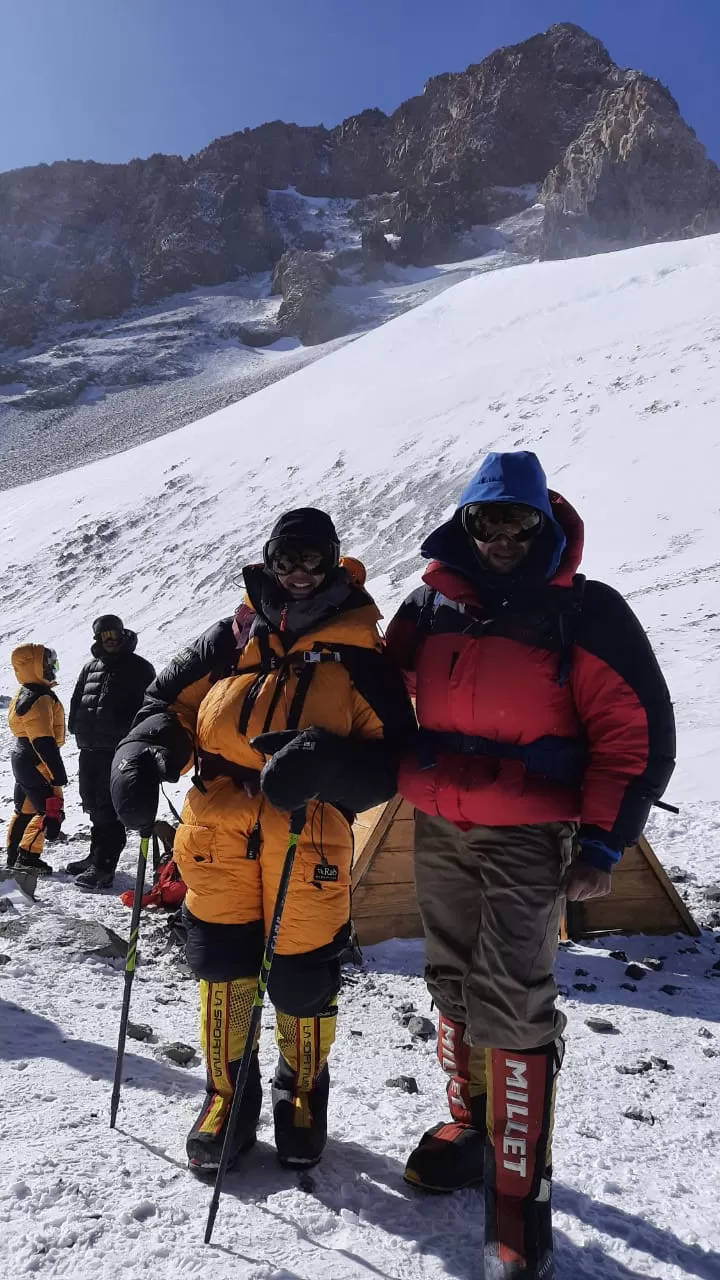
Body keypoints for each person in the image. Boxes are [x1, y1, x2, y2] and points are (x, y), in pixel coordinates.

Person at [385, 452, 675, 1280]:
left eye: (519, 522)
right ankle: (472, 1125)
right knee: (450, 976)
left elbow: (634, 733)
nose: (503, 536)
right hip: (439, 822)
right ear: (467, 524)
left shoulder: (584, 612)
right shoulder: (432, 603)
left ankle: (520, 1190)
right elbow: (377, 685)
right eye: (488, 521)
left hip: (529, 832)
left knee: (512, 993)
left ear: (544, 525)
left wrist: (602, 844)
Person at [110, 509, 415, 1176]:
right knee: (223, 968)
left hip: (308, 837)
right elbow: (167, 703)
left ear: (334, 563)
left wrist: (327, 765)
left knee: (305, 978)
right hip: (216, 833)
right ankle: (228, 1098)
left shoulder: (362, 651)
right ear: (269, 560)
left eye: (314, 560)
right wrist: (145, 750)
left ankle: (301, 1095)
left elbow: (396, 760)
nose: (299, 574)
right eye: (287, 559)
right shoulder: (233, 634)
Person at [66, 615, 155, 890]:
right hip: (89, 748)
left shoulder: (139, 668)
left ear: (122, 633)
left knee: (109, 808)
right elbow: (77, 698)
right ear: (98, 639)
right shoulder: (90, 667)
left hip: (117, 751)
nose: (111, 640)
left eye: (114, 634)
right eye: (105, 636)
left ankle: (104, 868)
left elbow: (151, 707)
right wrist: (75, 726)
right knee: (92, 804)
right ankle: (95, 856)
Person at [6, 644, 67, 876]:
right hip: (37, 760)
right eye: (47, 663)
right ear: (33, 666)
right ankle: (28, 857)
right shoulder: (40, 698)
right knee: (49, 810)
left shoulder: (23, 693)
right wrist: (57, 772)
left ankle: (13, 857)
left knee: (25, 809)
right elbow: (43, 740)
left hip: (22, 757)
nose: (51, 668)